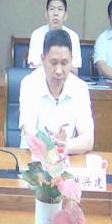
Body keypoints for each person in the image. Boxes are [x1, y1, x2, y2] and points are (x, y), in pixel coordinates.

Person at [18, 27, 95, 155]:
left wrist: (63, 147)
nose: (59, 71)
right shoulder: (29, 84)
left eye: (64, 63)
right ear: (43, 59)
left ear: (71, 60)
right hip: (32, 159)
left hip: (66, 159)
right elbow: (29, 132)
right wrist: (52, 146)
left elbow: (88, 139)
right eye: (53, 63)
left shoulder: (80, 88)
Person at [25, 0, 82, 72]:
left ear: (65, 15)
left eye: (60, 9)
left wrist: (50, 65)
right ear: (46, 14)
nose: (55, 13)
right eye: (52, 9)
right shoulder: (36, 35)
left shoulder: (73, 36)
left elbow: (75, 71)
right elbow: (33, 68)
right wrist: (63, 65)